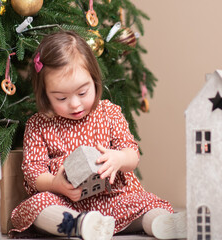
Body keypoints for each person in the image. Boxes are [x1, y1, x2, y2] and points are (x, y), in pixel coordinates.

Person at [10, 30, 186, 240]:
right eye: (61, 98)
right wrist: (55, 184)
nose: (75, 104)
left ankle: (161, 222)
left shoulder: (109, 113)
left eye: (82, 93)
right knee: (35, 206)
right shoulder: (39, 124)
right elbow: (33, 172)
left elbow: (132, 154)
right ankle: (80, 225)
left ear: (94, 81)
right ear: (46, 95)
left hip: (115, 199)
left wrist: (119, 158)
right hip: (66, 202)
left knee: (147, 202)